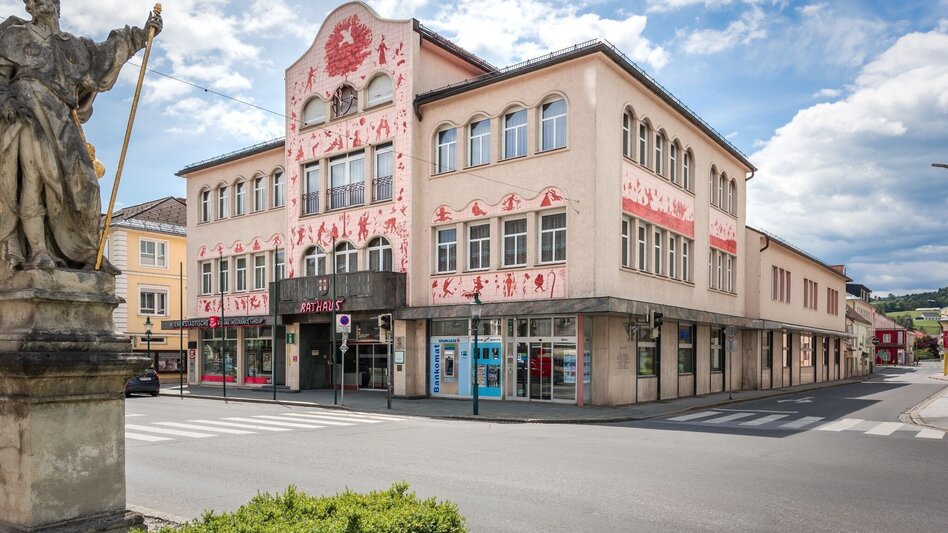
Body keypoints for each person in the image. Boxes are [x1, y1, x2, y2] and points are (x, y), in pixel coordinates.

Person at [0, 0, 162, 276]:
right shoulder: (15, 35)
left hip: (62, 117)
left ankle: (88, 252)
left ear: (56, 3)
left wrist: (141, 35)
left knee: (86, 184)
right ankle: (38, 251)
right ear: (29, 7)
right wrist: (5, 99)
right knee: (36, 177)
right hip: (26, 114)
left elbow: (105, 56)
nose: (39, 2)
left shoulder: (73, 46)